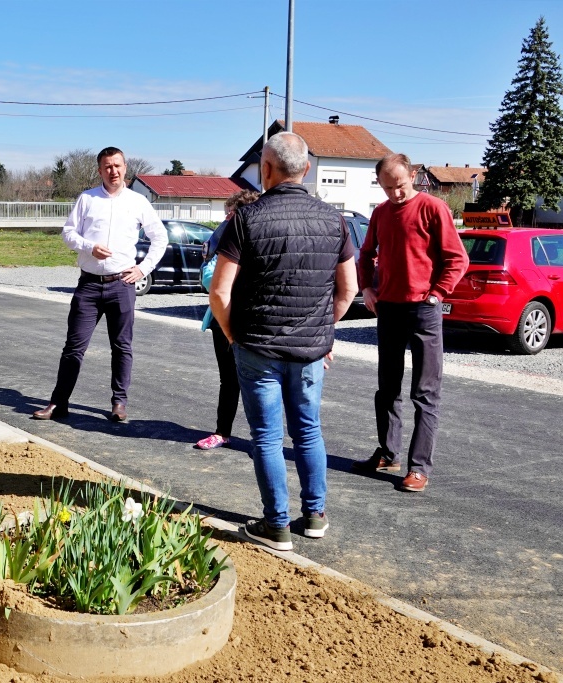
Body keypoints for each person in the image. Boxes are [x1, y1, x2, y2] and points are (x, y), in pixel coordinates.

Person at [210, 132, 358, 551]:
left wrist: (233, 333)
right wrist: (323, 332)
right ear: (307, 170)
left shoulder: (246, 219)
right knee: (308, 431)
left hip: (258, 346)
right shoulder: (335, 219)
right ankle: (314, 516)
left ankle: (276, 525)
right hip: (311, 351)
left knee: (267, 437)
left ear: (267, 170)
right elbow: (348, 289)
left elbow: (220, 293)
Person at [353, 153, 469, 493]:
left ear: (413, 175)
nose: (396, 194)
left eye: (400, 186)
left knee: (425, 392)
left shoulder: (434, 208)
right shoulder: (380, 212)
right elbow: (366, 254)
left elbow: (457, 258)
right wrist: (367, 288)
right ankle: (388, 454)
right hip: (388, 308)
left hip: (423, 310)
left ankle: (419, 467)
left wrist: (437, 294)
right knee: (387, 388)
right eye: (388, 188)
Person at [32, 147, 168, 423]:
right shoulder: (87, 199)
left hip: (122, 285)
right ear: (99, 170)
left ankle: (119, 403)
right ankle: (59, 403)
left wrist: (142, 268)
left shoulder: (138, 202)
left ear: (125, 167)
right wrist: (88, 246)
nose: (113, 171)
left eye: (117, 165)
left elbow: (160, 238)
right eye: (107, 167)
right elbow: (68, 233)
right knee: (73, 347)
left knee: (122, 347)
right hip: (90, 286)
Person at [195, 189, 260, 450]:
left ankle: (262, 439)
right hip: (221, 319)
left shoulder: (257, 237)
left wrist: (231, 282)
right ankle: (222, 431)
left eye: (230, 214)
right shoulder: (223, 240)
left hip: (254, 320)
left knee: (259, 381)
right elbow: (208, 277)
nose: (226, 220)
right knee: (229, 379)